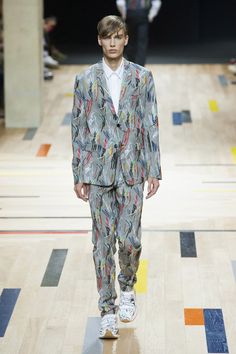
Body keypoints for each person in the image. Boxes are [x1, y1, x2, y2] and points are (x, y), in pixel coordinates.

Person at [71, 15, 161, 339]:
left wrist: (154, 169)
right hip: (97, 173)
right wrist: (78, 172)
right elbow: (79, 128)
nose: (112, 42)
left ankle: (127, 286)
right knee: (101, 244)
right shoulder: (84, 80)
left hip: (132, 170)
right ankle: (107, 309)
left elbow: (151, 123)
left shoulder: (143, 77)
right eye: (106, 37)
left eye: (118, 36)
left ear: (125, 40)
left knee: (131, 239)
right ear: (99, 40)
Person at [116, 0, 162, 66]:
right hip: (141, 15)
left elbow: (120, 3)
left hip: (133, 15)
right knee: (140, 42)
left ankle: (133, 63)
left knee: (132, 41)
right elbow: (157, 3)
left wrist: (124, 13)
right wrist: (151, 15)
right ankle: (139, 65)